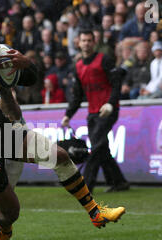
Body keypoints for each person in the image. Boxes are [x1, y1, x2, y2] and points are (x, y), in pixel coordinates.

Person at [0, 27, 126, 240]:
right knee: (7, 210)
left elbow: (31, 79)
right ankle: (2, 232)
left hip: (1, 133)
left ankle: (94, 211)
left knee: (59, 155)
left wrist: (27, 63)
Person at [61, 30, 129, 194]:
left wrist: (111, 104)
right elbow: (77, 95)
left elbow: (116, 82)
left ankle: (85, 185)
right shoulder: (77, 67)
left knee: (96, 147)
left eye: (89, 40)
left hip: (107, 110)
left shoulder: (104, 60)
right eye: (84, 40)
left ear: (94, 42)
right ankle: (119, 182)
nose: (86, 43)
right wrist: (68, 114)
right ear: (79, 43)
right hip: (93, 113)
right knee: (102, 148)